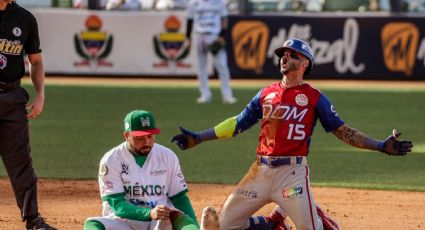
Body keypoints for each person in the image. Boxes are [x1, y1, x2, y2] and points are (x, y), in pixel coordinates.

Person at [171, 38, 413, 229]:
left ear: (305, 63)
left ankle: (316, 218)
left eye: (292, 55)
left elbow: (344, 131)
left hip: (292, 176)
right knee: (221, 226)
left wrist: (381, 145)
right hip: (260, 173)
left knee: (309, 228)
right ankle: (267, 223)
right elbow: (237, 123)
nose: (285, 57)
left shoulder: (314, 97)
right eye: (282, 55)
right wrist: (200, 137)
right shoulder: (265, 93)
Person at [84, 110, 219, 230]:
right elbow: (118, 205)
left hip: (159, 220)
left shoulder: (167, 156)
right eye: (140, 138)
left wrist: (192, 223)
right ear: (126, 135)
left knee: (176, 216)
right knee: (93, 224)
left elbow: (180, 198)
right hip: (123, 222)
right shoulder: (111, 160)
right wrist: (148, 213)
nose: (147, 142)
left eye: (150, 136)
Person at [0, 1, 56, 229]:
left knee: (21, 161)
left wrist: (40, 94)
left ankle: (33, 220)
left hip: (13, 97)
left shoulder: (25, 18)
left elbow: (35, 61)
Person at [185, 0, 237, 104]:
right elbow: (189, 20)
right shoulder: (193, 3)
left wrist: (222, 36)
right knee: (201, 67)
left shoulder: (219, 2)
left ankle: (227, 95)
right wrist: (188, 38)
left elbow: (224, 18)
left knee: (222, 66)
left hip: (214, 35)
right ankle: (205, 95)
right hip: (199, 35)